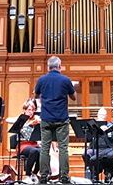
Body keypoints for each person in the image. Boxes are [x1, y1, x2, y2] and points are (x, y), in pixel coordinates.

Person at [34, 56, 76, 184]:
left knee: (44, 148)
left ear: (48, 67)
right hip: (61, 119)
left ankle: (43, 177)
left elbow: (35, 95)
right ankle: (64, 176)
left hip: (46, 118)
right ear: (60, 66)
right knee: (63, 148)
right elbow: (73, 97)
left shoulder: (42, 79)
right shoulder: (65, 80)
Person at [18, 99, 42, 183]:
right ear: (24, 110)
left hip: (34, 144)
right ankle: (27, 174)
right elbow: (24, 133)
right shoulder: (21, 119)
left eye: (33, 110)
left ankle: (34, 173)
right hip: (23, 145)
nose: (31, 112)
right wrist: (30, 125)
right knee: (34, 151)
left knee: (43, 152)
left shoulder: (36, 119)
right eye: (29, 109)